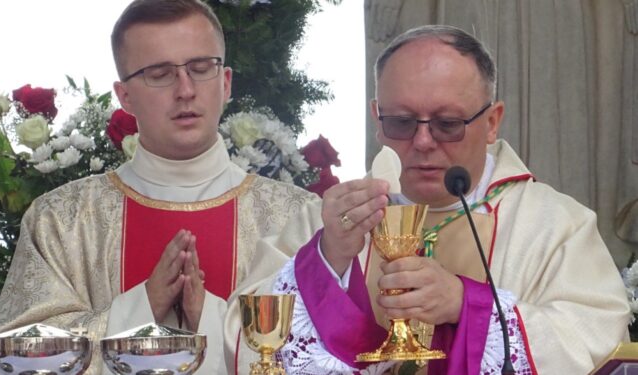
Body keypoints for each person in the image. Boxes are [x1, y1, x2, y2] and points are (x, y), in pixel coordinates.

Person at [258, 25, 631, 374]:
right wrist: (328, 260)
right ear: (376, 117)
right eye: (402, 122)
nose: (422, 142)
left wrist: (464, 304)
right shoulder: (329, 221)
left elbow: (596, 338)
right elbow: (244, 337)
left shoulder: (554, 225)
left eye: (448, 124)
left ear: (491, 122)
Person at [0, 1, 320, 373]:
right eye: (159, 73)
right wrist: (141, 308)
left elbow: (329, 355)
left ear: (225, 82)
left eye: (200, 68)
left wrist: (209, 320)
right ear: (124, 96)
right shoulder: (62, 219)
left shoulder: (297, 219)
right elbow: (16, 357)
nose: (186, 89)